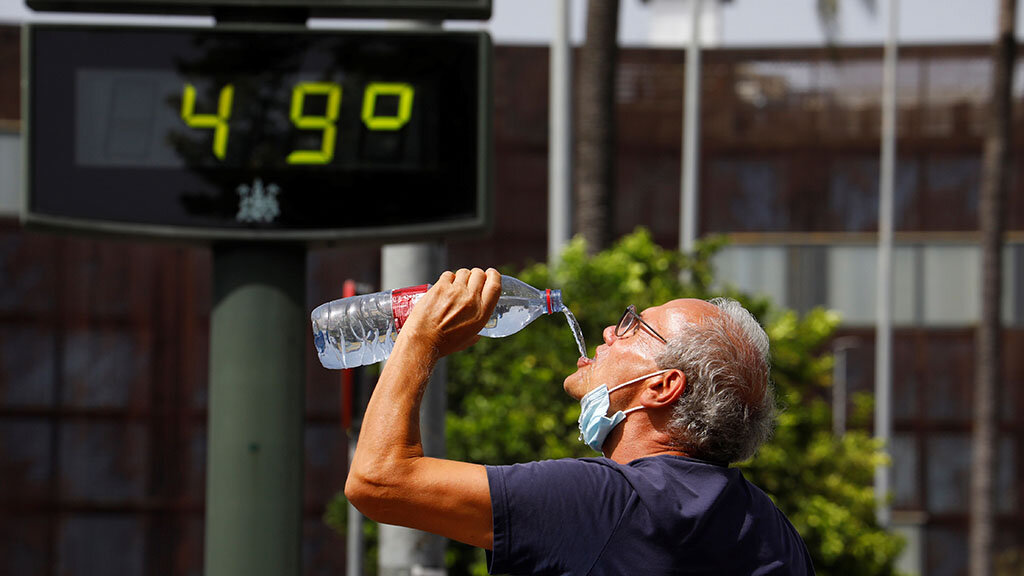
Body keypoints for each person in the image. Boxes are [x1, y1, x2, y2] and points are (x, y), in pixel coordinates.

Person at [345, 268, 815, 575]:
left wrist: (420, 338)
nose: (610, 330)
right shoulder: (774, 532)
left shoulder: (606, 501)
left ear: (661, 386)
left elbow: (379, 480)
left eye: (634, 326)